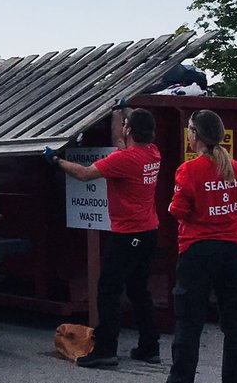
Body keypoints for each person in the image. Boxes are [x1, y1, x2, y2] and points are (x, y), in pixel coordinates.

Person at [152, 110, 237, 383]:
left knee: (189, 322)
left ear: (195, 136)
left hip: (198, 250)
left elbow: (178, 211)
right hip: (234, 251)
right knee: (234, 324)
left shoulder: (189, 170)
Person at [46, 104, 161, 368]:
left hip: (127, 235)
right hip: (148, 232)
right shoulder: (152, 153)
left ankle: (106, 349)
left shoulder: (125, 160)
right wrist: (119, 111)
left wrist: (57, 161)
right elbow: (118, 140)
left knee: (108, 290)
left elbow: (85, 174)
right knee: (138, 290)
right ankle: (149, 346)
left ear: (130, 130)